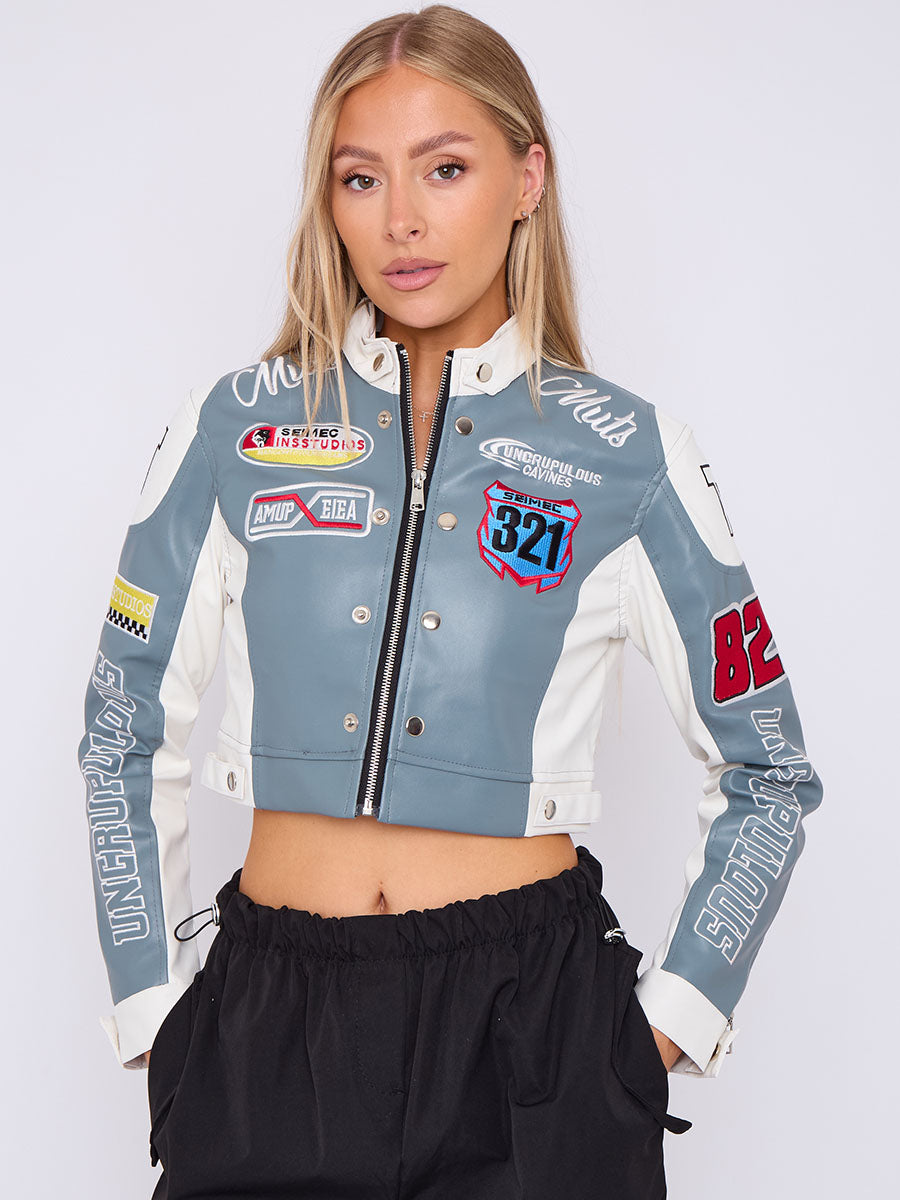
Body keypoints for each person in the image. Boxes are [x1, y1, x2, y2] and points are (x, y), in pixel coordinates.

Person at [77, 5, 823, 1197]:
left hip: (531, 1032)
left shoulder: (630, 456)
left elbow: (769, 767)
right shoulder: (233, 430)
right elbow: (123, 725)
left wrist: (660, 1033)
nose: (402, 221)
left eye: (445, 168)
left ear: (527, 179)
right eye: (360, 177)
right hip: (273, 1024)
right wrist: (157, 1017)